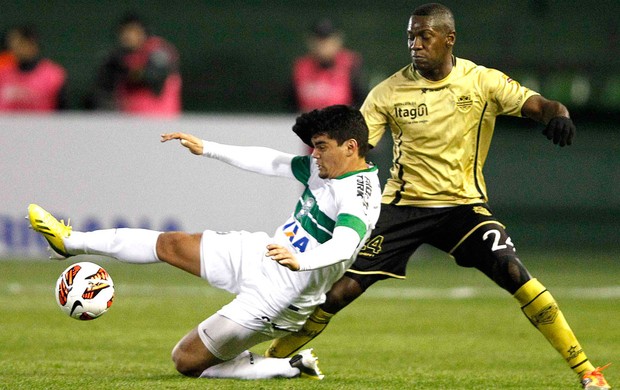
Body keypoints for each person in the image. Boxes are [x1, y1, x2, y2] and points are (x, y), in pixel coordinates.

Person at [265, 4, 611, 389]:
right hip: (402, 207)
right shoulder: (387, 92)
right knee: (339, 292)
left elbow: (539, 104)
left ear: (449, 38)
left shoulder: (482, 82)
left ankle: (587, 372)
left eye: (424, 36)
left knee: (516, 274)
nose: (415, 44)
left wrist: (558, 114)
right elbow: (355, 149)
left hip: (462, 208)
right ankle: (269, 360)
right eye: (411, 37)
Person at [28, 104, 381, 380]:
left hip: (282, 297)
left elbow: (345, 244)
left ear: (351, 147)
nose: (314, 155)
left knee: (185, 361)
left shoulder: (359, 194)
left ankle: (285, 365)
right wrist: (207, 148)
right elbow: (272, 161)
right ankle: (70, 241)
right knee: (173, 244)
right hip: (263, 255)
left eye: (321, 147)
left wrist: (299, 261)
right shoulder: (326, 170)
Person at [88, 13, 181, 116]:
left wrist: (126, 70)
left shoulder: (158, 50)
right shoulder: (121, 56)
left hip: (160, 120)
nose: (128, 36)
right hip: (129, 120)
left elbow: (153, 75)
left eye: (133, 31)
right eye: (125, 32)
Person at [290, 18, 366, 112]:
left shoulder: (350, 65)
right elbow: (290, 102)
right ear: (310, 41)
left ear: (338, 40)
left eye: (328, 40)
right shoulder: (301, 68)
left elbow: (361, 101)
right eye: (319, 40)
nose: (323, 45)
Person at [0, 25, 67, 111]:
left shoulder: (53, 75)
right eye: (12, 44)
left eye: (20, 43)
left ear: (32, 44)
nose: (14, 48)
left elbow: (63, 112)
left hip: (43, 124)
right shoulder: (2, 74)